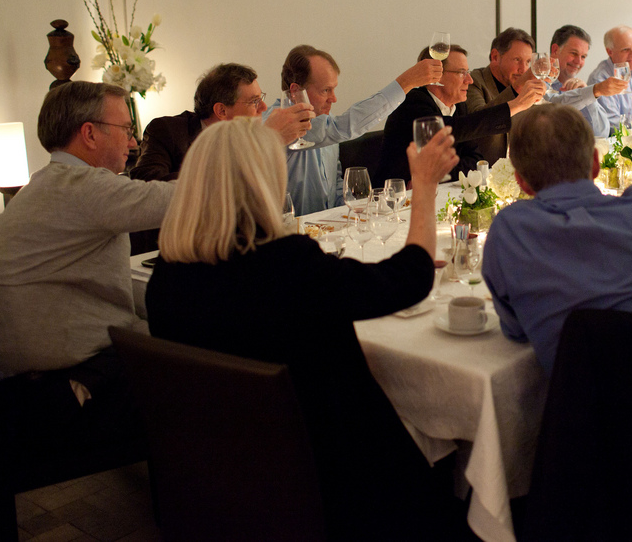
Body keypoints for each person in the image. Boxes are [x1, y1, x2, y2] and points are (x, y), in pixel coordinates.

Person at [145, 117, 460, 539]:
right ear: (263, 181)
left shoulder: (166, 278)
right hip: (333, 477)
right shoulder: (286, 266)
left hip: (222, 473)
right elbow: (409, 280)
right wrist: (423, 187)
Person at [0, 81, 174, 452]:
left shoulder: (43, 184)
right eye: (126, 130)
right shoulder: (81, 186)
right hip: (43, 399)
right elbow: (181, 199)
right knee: (199, 362)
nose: (133, 143)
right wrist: (256, 145)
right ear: (89, 133)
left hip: (10, 382)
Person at [482, 98, 632, 375]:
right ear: (596, 164)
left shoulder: (509, 233)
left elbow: (516, 330)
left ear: (521, 182)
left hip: (581, 413)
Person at [261, 44, 442, 215]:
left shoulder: (324, 122)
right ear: (295, 92)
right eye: (325, 90)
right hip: (290, 237)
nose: (334, 99)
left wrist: (362, 210)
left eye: (334, 89)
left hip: (326, 231)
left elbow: (335, 185)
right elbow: (344, 127)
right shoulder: (276, 125)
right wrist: (406, 82)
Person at [377, 44, 540, 184]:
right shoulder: (413, 102)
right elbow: (449, 130)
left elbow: (474, 159)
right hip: (391, 200)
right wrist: (515, 105)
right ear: (436, 75)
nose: (469, 80)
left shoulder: (459, 107)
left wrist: (438, 175)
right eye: (462, 73)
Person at [131, 63, 314, 181]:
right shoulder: (167, 131)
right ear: (222, 111)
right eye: (254, 101)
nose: (264, 107)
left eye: (261, 98)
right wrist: (264, 141)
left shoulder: (246, 139)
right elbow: (147, 187)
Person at [465, 27, 548, 164]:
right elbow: (477, 122)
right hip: (480, 173)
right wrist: (517, 88)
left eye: (528, 62)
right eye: (517, 60)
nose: (523, 69)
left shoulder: (528, 88)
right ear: (495, 56)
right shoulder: (473, 81)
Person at [547, 24, 631, 138]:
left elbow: (601, 133)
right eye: (574, 53)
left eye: (583, 57)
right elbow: (553, 109)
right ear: (555, 50)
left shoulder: (580, 88)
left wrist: (589, 97)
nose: (578, 61)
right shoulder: (540, 83)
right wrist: (594, 91)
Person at [586, 25, 632, 134]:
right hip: (617, 146)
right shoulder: (599, 79)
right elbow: (614, 127)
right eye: (626, 50)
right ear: (610, 52)